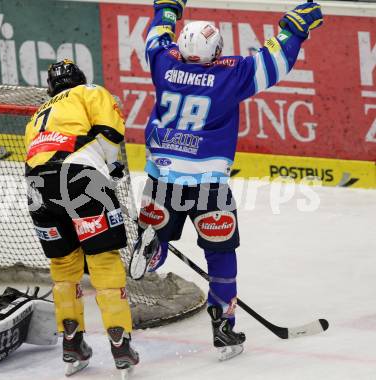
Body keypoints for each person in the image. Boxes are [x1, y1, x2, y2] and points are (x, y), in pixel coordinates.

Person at [138, 0, 323, 359]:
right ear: (215, 51)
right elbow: (275, 60)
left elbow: (157, 33)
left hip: (162, 178)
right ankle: (223, 327)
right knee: (220, 254)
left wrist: (168, 7)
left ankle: (152, 248)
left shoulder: (163, 62)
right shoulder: (231, 74)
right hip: (208, 184)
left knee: (157, 230)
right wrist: (294, 27)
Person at [24, 59, 139, 376]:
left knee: (63, 267)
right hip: (82, 179)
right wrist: (113, 167)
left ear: (50, 88)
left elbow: (39, 157)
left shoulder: (36, 116)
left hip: (36, 188)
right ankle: (120, 344)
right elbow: (110, 131)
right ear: (80, 78)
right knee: (103, 259)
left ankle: (72, 343)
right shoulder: (90, 91)